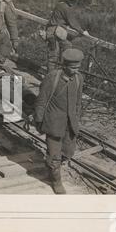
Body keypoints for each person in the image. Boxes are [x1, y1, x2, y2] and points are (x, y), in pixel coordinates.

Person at [32, 48, 84, 194]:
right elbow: (41, 100)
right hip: (54, 123)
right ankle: (56, 180)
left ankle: (53, 165)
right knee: (54, 155)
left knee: (68, 152)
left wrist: (77, 118)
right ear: (64, 65)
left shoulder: (79, 79)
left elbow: (78, 102)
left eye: (78, 67)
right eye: (73, 68)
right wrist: (38, 120)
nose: (75, 71)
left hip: (70, 124)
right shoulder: (53, 77)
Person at [45, 0, 89, 72]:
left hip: (57, 32)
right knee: (53, 56)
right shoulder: (65, 7)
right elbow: (72, 22)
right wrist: (82, 31)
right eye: (72, 0)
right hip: (53, 33)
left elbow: (61, 20)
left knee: (66, 48)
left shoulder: (60, 4)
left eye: (74, 0)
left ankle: (59, 73)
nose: (74, 2)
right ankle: (50, 77)